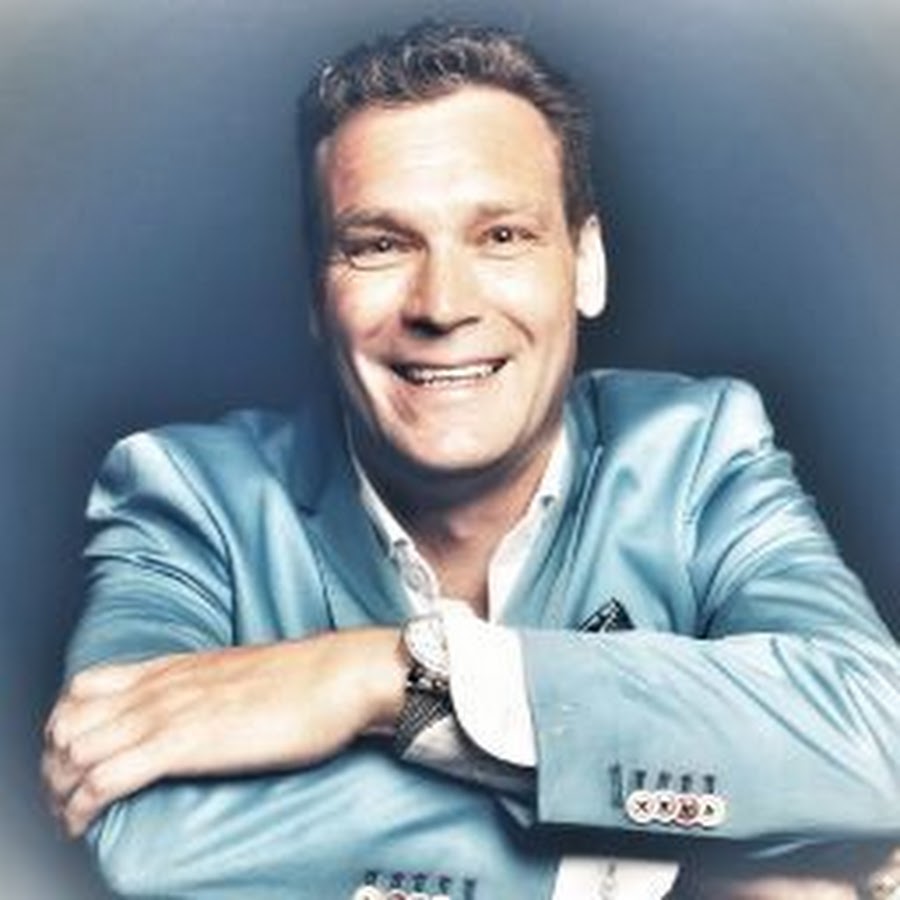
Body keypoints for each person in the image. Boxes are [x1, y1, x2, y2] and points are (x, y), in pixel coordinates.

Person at [41, 20, 900, 900]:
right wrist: (697, 864)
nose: (443, 305)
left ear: (586, 264)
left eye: (502, 237)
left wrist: (389, 677)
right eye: (379, 244)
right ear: (316, 295)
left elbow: (880, 736)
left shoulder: (697, 451)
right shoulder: (188, 500)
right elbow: (148, 832)